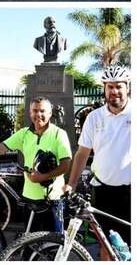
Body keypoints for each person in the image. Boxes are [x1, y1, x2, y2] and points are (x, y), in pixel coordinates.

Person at [0, 96, 71, 232]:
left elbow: (66, 164)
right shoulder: (24, 134)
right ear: (30, 113)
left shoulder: (58, 134)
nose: (39, 114)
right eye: (35, 111)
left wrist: (43, 177)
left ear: (50, 113)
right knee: (30, 247)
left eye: (43, 111)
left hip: (53, 199)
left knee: (54, 246)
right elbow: (0, 148)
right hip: (30, 199)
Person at [64, 65, 131, 257]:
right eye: (110, 87)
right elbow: (82, 153)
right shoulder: (94, 117)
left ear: (127, 87)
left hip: (130, 192)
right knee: (106, 245)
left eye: (119, 86)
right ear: (104, 89)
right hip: (102, 191)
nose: (114, 91)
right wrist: (72, 184)